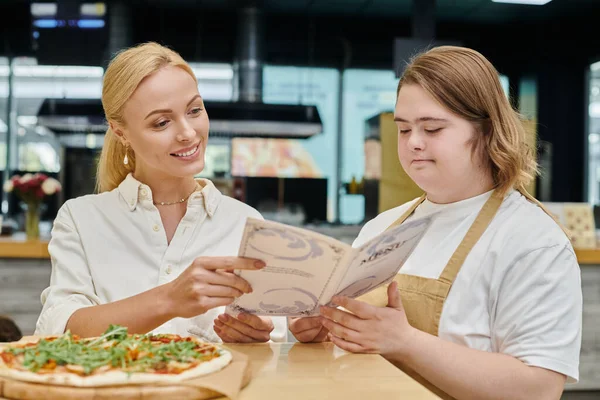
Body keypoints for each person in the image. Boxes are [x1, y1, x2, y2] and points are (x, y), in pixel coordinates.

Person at [289, 46, 582, 400]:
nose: (413, 143)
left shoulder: (532, 240)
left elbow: (538, 389)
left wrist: (405, 341)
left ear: (488, 131)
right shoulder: (380, 229)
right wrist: (325, 328)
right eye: (403, 129)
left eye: (432, 128)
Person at [35, 42, 286, 343]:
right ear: (121, 132)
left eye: (194, 110)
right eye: (162, 122)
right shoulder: (80, 219)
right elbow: (60, 329)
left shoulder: (245, 222)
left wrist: (256, 338)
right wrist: (169, 299)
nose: (188, 133)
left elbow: (275, 345)